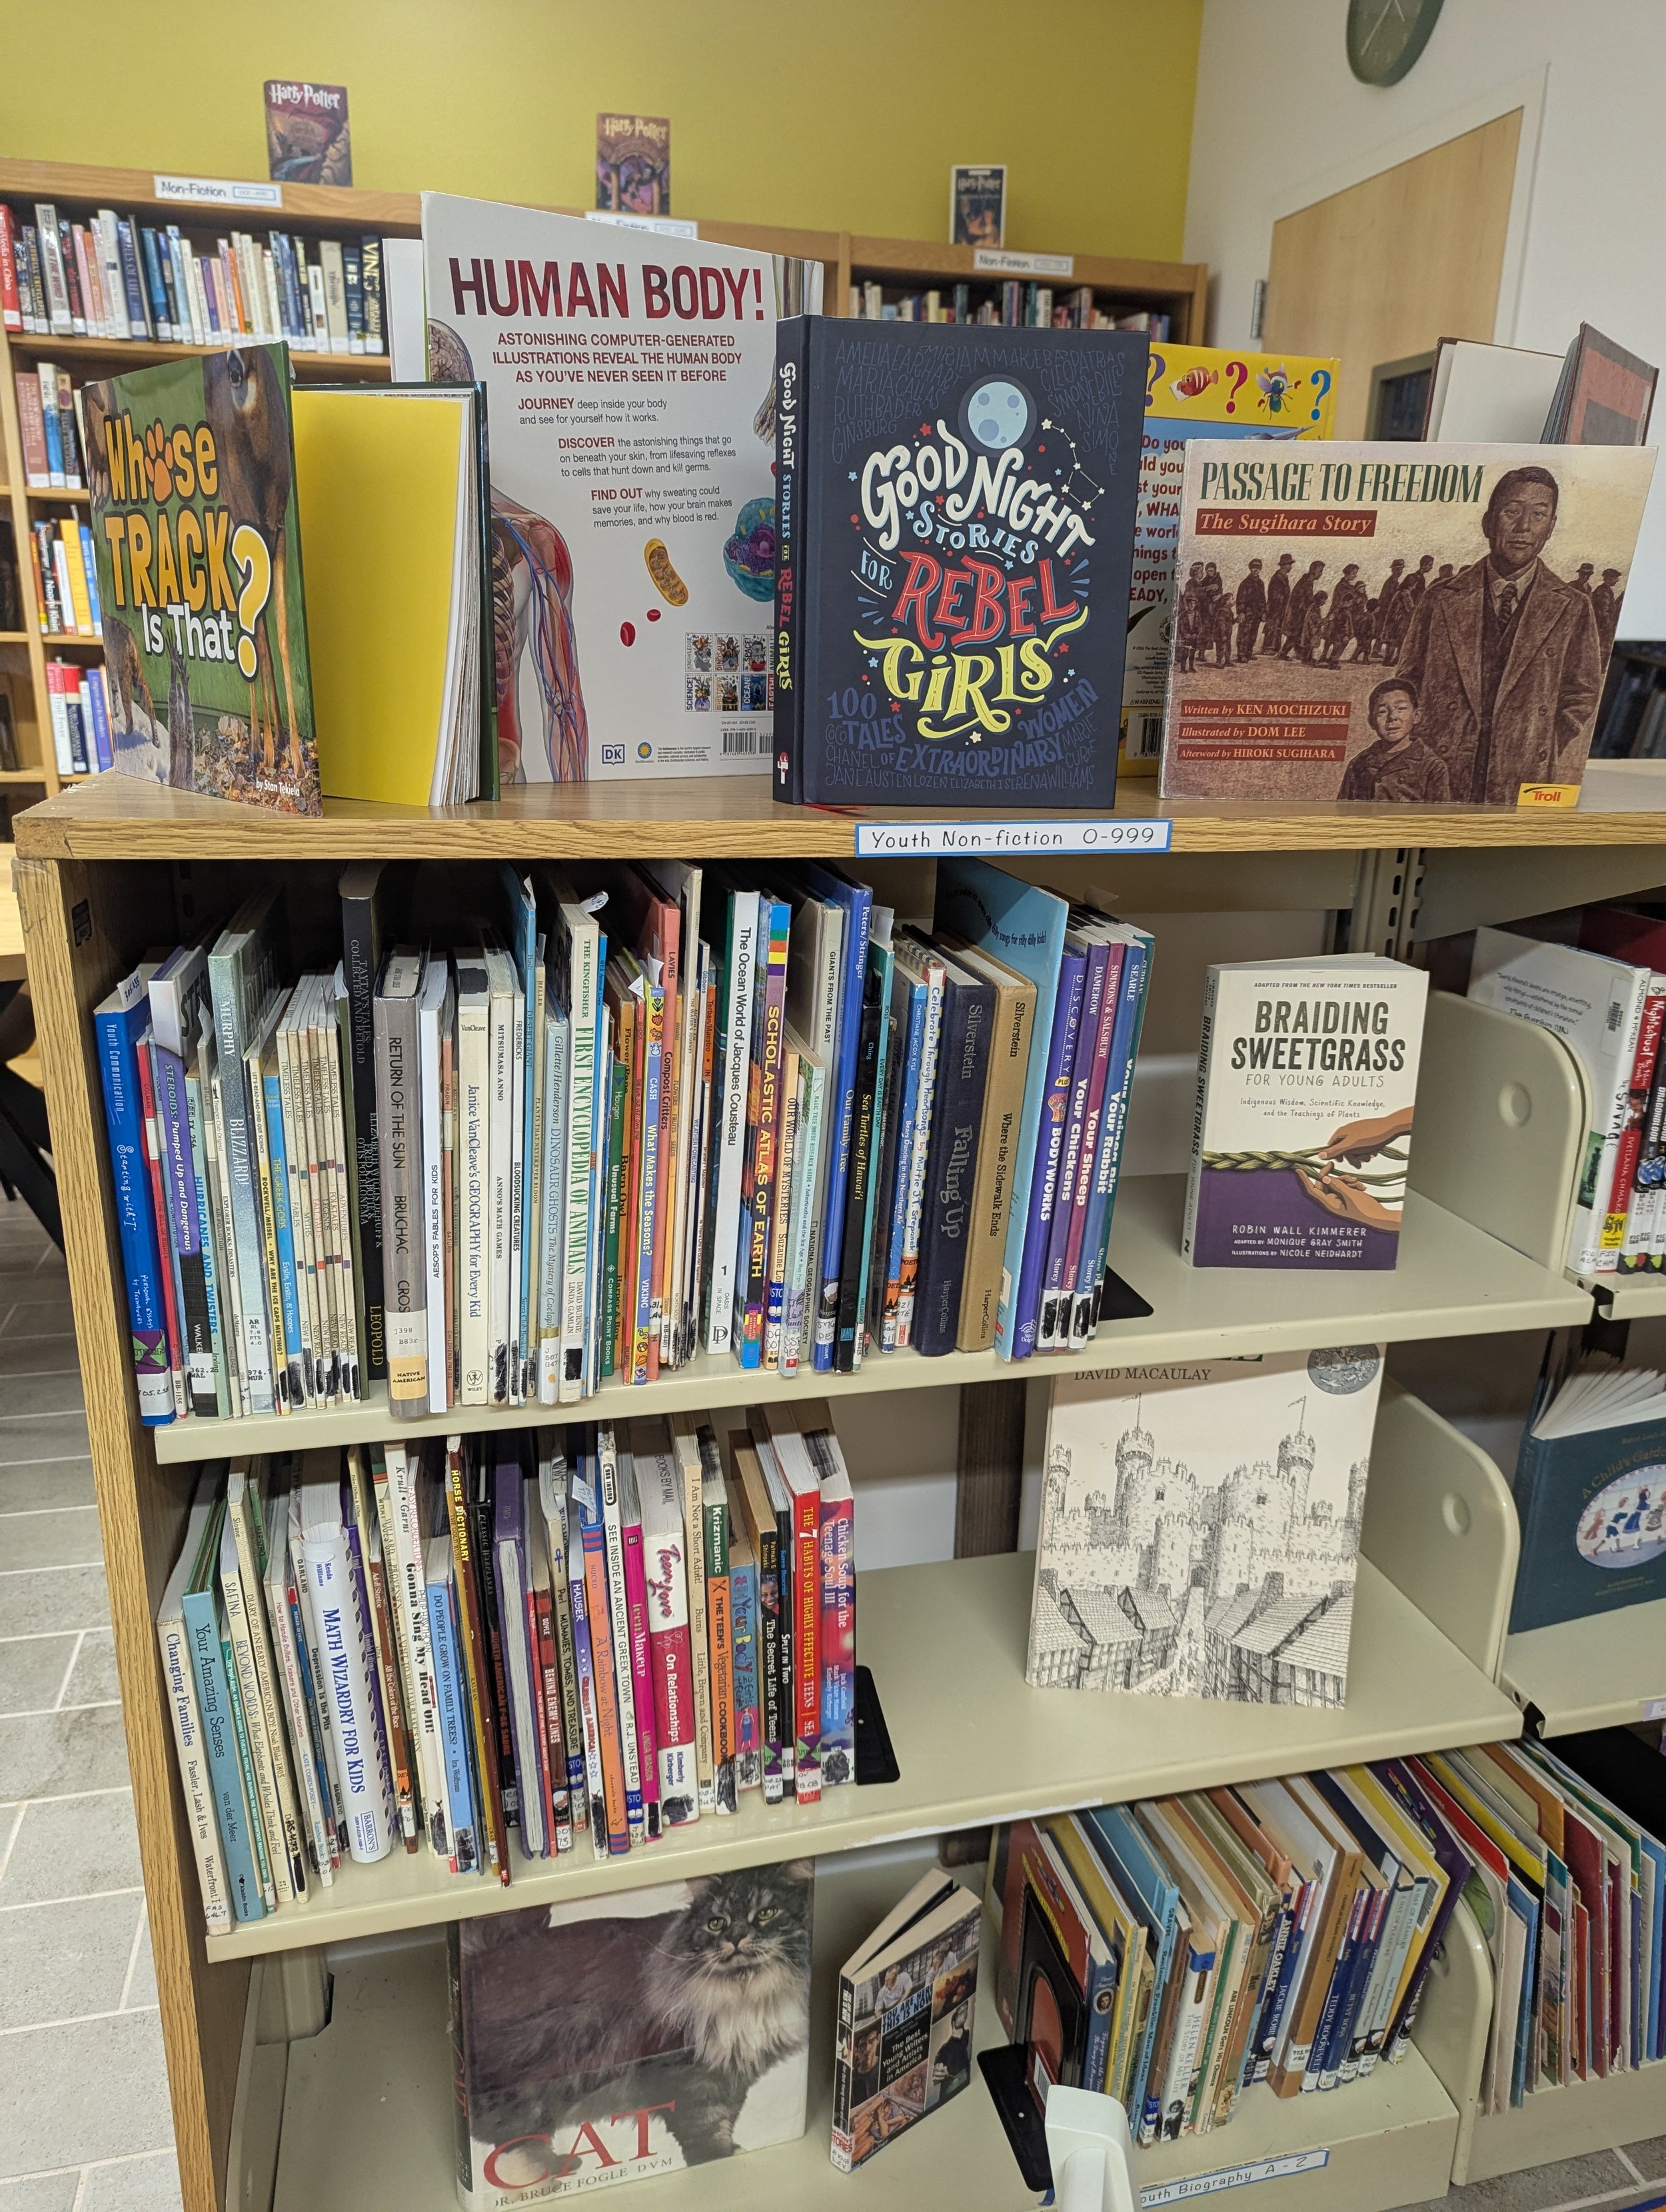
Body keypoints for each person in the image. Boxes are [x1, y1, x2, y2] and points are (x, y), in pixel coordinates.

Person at [1394, 464, 1603, 804]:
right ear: (1488, 522)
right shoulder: (1441, 597)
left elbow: (1582, 693)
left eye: (1539, 514)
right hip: (1442, 766)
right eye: (1512, 512)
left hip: (1522, 774)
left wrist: (1538, 742)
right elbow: (1408, 680)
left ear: (1550, 528)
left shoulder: (1573, 606)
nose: (1524, 527)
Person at [1336, 678, 1451, 802]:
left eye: (1401, 709)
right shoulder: (1359, 764)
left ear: (1416, 716)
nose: (1392, 717)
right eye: (1382, 712)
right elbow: (1344, 810)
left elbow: (1438, 816)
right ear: (1371, 722)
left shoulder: (1432, 767)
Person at [1381, 554, 1433, 660]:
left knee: (1396, 640)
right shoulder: (1406, 593)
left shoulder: (1402, 591)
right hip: (1400, 619)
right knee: (1397, 639)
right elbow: (1410, 607)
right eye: (1430, 565)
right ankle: (1392, 659)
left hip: (1398, 618)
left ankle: (1393, 658)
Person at [1282, 560, 1324, 656]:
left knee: (1297, 635)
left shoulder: (1307, 581)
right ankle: (1284, 654)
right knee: (1296, 635)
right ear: (1313, 570)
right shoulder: (1307, 582)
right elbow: (1305, 600)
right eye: (1320, 571)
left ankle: (1298, 654)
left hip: (1299, 613)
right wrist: (1317, 601)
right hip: (1298, 614)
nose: (1321, 574)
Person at [1176, 562, 1207, 674]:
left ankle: (1192, 664)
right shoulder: (1190, 583)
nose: (1202, 573)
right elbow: (1190, 596)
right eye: (1201, 571)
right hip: (1189, 621)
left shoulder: (1202, 584)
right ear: (1195, 572)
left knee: (1194, 647)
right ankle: (1181, 664)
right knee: (1185, 649)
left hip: (1199, 615)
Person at [1373, 558, 1406, 658]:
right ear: (1393, 570)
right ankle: (1376, 651)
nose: (1400, 572)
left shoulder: (1395, 581)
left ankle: (1378, 651)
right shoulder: (1391, 582)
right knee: (1384, 630)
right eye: (1397, 569)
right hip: (1386, 609)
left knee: (1386, 630)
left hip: (1389, 610)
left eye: (1401, 569)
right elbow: (1385, 597)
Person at [1235, 559, 1266, 661]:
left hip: (1257, 614)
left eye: (1257, 568)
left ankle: (1249, 652)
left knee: (1253, 634)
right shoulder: (1245, 583)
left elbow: (1263, 599)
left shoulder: (1261, 583)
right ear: (1250, 569)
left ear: (1260, 569)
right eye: (1253, 568)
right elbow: (1241, 599)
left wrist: (1264, 612)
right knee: (1244, 634)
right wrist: (1241, 613)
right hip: (1247, 613)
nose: (1255, 570)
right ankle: (1241, 654)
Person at [1263, 553, 1295, 655]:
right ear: (1284, 565)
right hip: (1276, 607)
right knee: (1274, 626)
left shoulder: (1283, 577)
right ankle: (1269, 648)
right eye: (1289, 564)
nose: (1291, 567)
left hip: (1281, 608)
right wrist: (1285, 600)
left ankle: (1275, 647)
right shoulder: (1278, 577)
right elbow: (1275, 595)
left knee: (1278, 626)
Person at [1592, 567, 1625, 662]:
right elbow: (1604, 611)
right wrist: (1607, 626)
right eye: (1615, 578)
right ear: (1609, 578)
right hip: (1601, 627)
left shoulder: (1607, 591)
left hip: (1602, 626)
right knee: (1600, 648)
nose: (1617, 581)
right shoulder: (1603, 591)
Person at [1299, 586, 1329, 662]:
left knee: (1310, 646)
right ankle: (1306, 659)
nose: (1325, 602)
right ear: (1320, 599)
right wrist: (1328, 619)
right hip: (1311, 631)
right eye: (1324, 600)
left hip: (1311, 630)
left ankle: (1308, 659)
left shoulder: (1314, 607)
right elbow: (1318, 622)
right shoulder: (1315, 608)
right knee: (1309, 645)